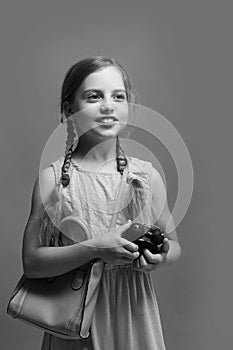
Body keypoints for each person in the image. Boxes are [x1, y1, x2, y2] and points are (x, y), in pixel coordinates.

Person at [22, 56, 181, 350]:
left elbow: (174, 244)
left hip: (134, 313)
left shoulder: (146, 176)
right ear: (70, 110)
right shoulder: (52, 180)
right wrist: (94, 249)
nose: (108, 105)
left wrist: (160, 257)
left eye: (118, 96)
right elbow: (32, 263)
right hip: (75, 317)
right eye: (94, 96)